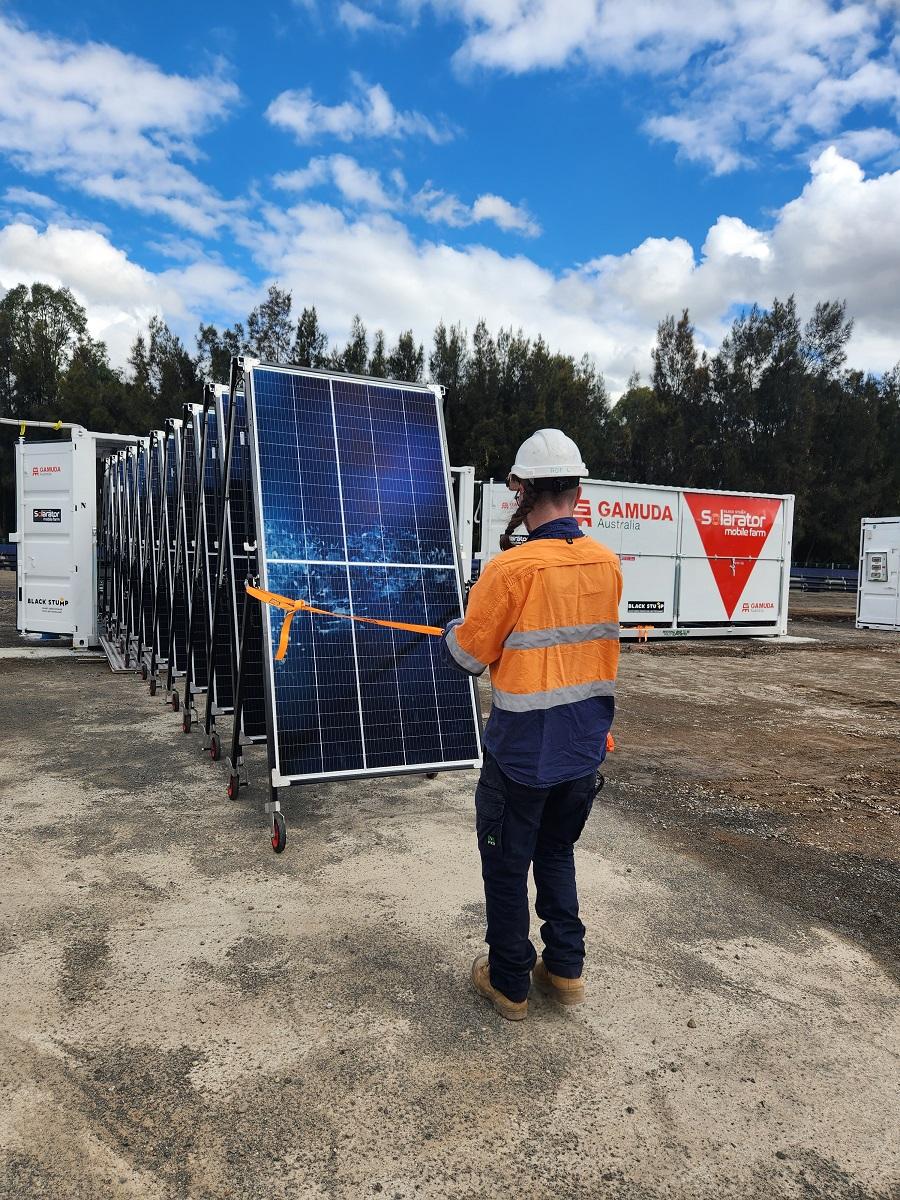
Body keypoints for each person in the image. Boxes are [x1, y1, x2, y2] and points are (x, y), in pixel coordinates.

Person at [443, 430, 622, 1021]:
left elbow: (470, 656)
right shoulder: (607, 563)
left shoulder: (510, 569)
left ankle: (510, 982)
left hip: (520, 756)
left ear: (520, 489)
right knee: (556, 854)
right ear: (577, 488)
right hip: (582, 751)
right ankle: (565, 970)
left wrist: (454, 630)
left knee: (505, 862)